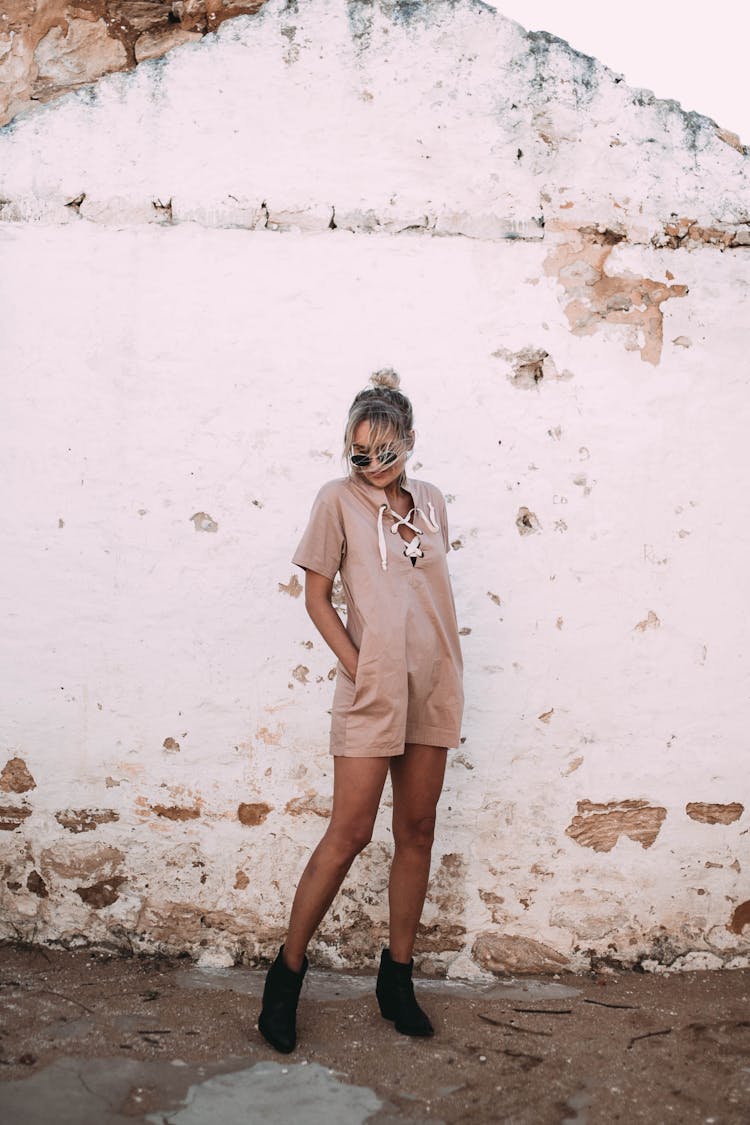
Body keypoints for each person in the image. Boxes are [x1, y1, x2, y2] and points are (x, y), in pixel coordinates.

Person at [258, 369, 464, 1053]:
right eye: (360, 453)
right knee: (348, 833)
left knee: (417, 828)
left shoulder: (431, 502)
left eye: (387, 451)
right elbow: (317, 597)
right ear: (347, 450)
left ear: (410, 442)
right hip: (372, 691)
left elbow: (424, 593)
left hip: (432, 684)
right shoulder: (336, 501)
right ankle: (286, 976)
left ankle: (396, 979)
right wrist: (359, 665)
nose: (374, 465)